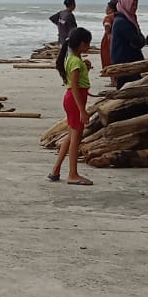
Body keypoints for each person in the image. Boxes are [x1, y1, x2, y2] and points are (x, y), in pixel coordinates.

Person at [48, 27, 95, 186]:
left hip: (72, 100)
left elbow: (77, 79)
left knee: (70, 136)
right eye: (87, 43)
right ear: (81, 43)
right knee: (76, 138)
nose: (89, 46)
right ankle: (73, 174)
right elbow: (74, 86)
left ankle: (56, 170)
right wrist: (82, 110)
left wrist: (85, 67)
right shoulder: (75, 61)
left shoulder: (74, 58)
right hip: (75, 100)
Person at [108, 0, 146, 87]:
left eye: (136, 5)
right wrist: (140, 35)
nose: (134, 8)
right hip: (124, 65)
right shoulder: (122, 22)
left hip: (128, 63)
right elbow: (138, 42)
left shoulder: (128, 19)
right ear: (126, 5)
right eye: (132, 5)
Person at [99, 0, 117, 73]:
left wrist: (108, 32)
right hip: (117, 40)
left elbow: (107, 24)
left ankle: (113, 81)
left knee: (108, 59)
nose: (106, 9)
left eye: (107, 7)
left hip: (109, 40)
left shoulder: (109, 17)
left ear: (111, 9)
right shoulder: (119, 16)